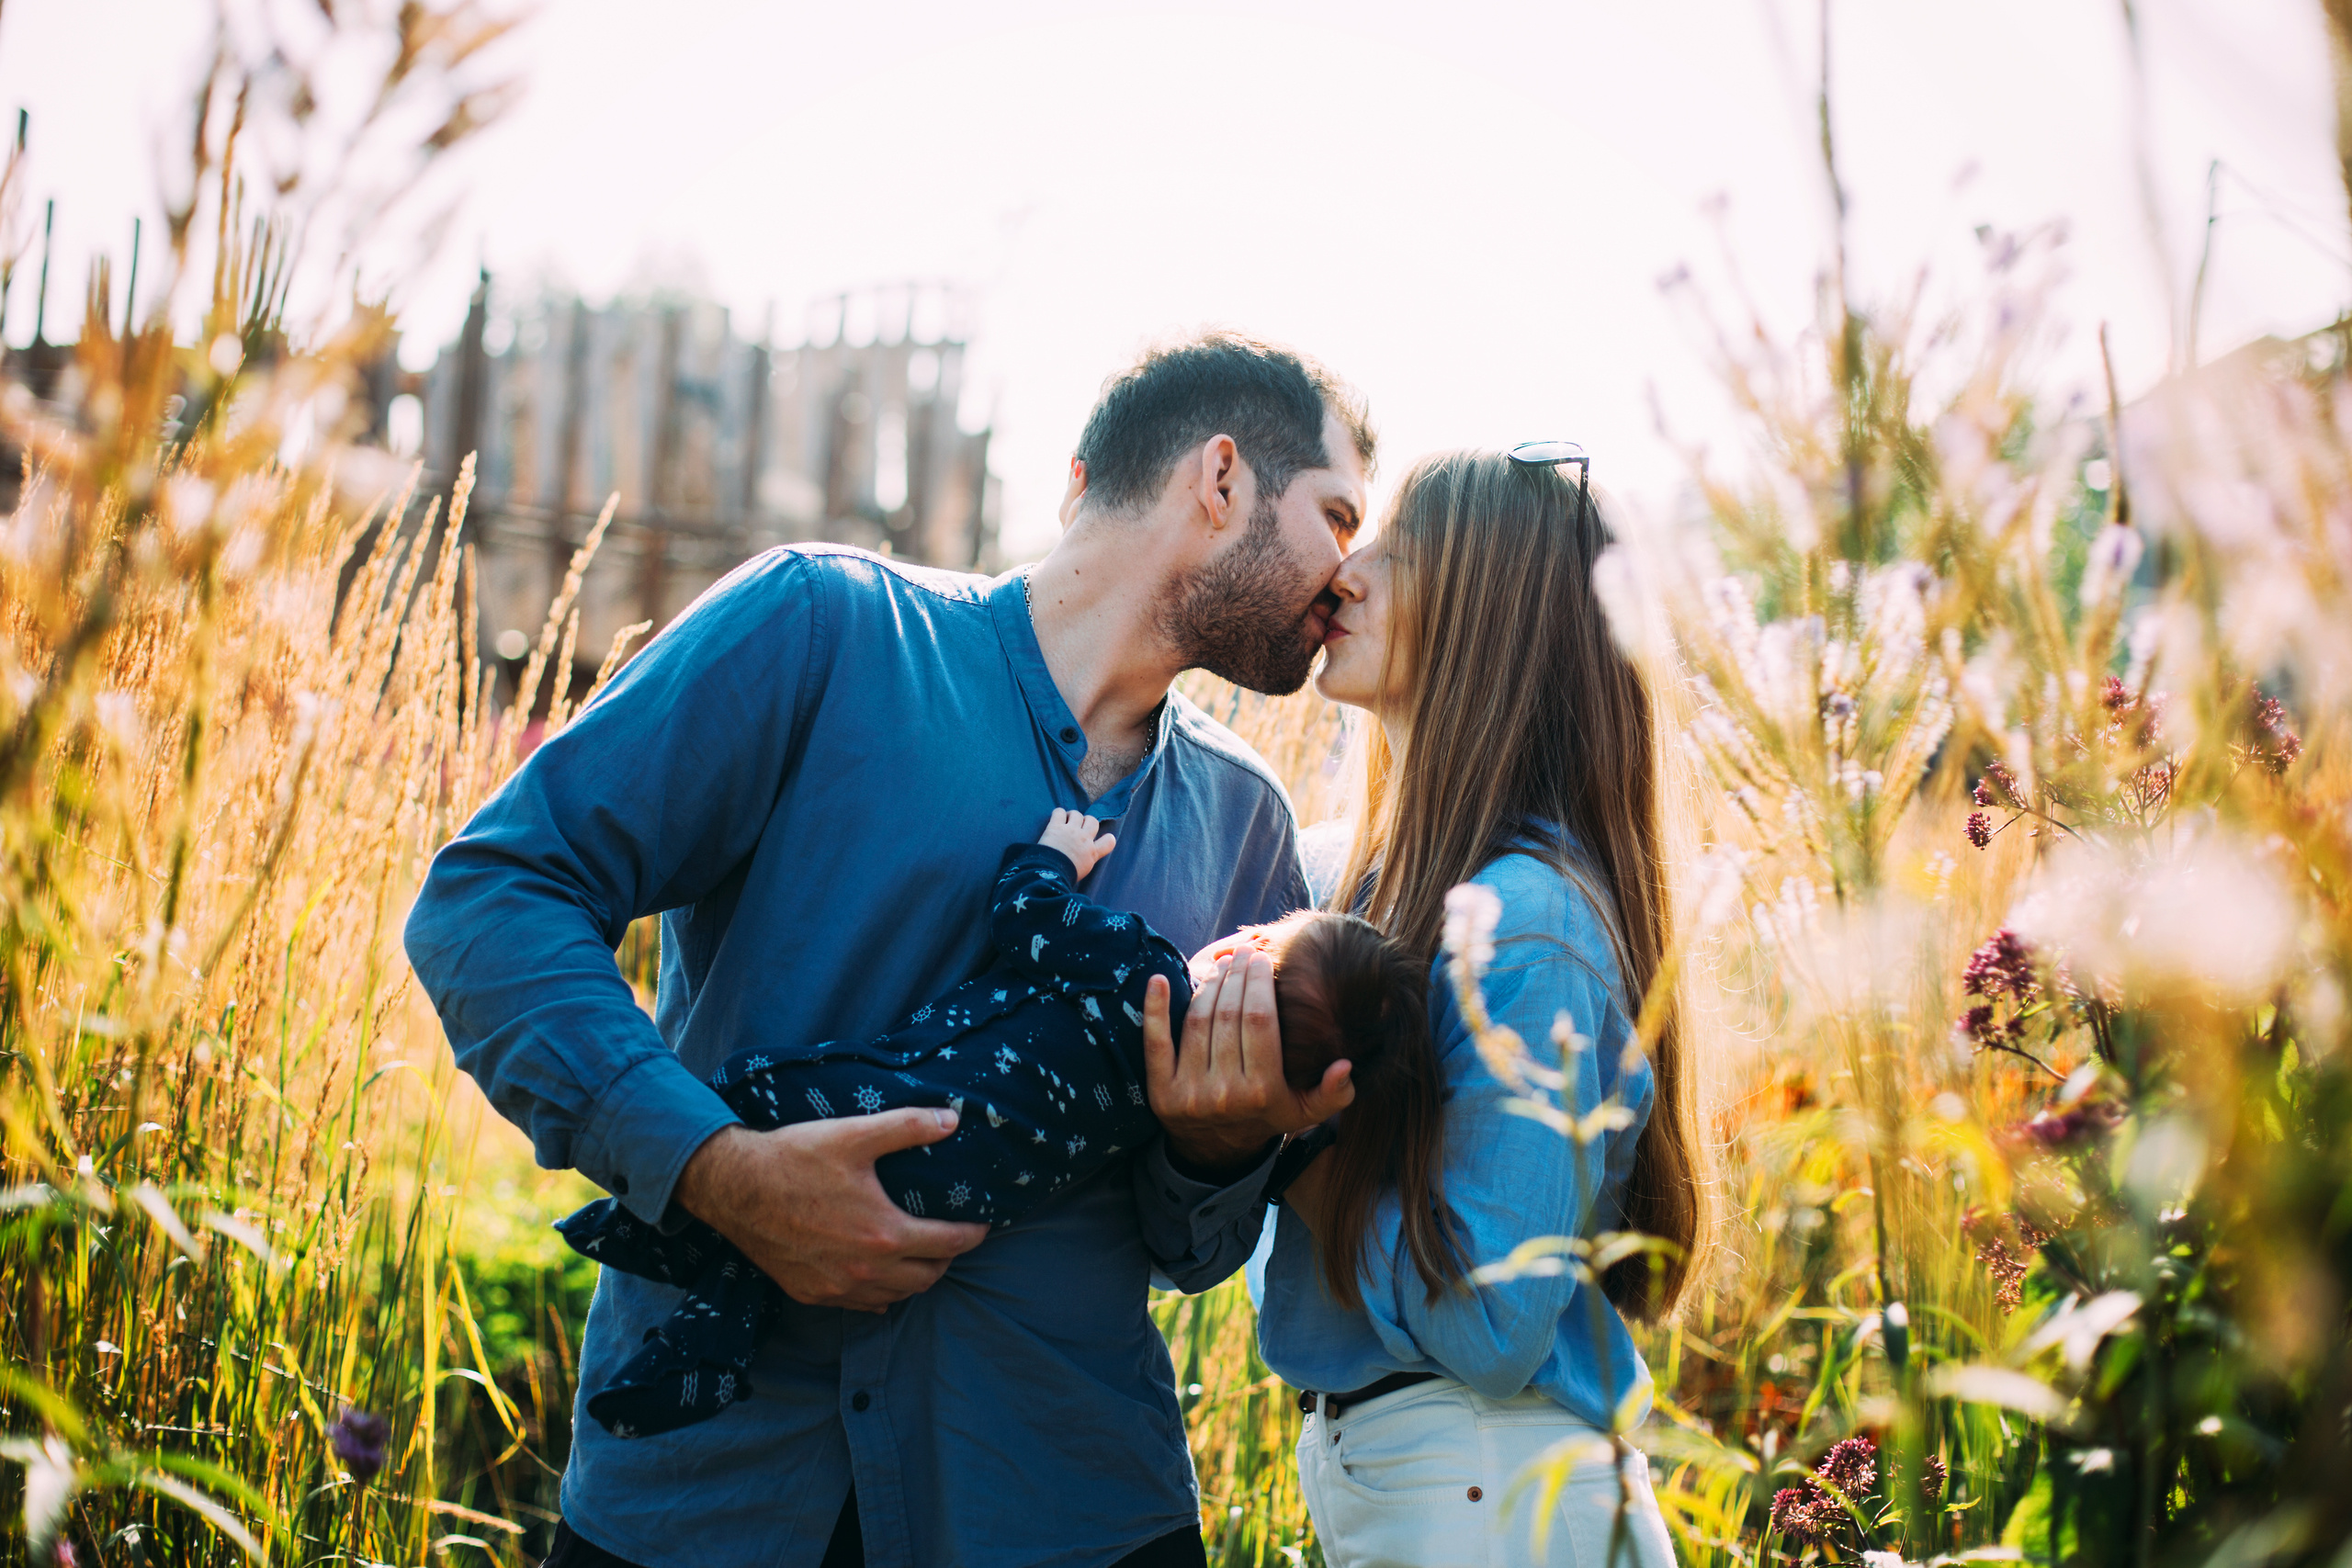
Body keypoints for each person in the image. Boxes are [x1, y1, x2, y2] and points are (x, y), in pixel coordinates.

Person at [402, 332, 1373, 1568]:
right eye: (1338, 516)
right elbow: (494, 894)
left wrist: (1215, 1149)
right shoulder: (820, 628)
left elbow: (1196, 1251)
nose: (1349, 576)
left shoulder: (1246, 824)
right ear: (1221, 479)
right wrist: (712, 1168)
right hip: (715, 1500)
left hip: (1064, 1509)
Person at [557, 808, 1439, 1444]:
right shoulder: (1189, 1101)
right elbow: (1200, 1225)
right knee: (776, 1255)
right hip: (961, 1204)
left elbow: (1025, 916)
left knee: (750, 1088)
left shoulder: (1142, 969)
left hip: (900, 1110)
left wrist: (1053, 856)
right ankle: (701, 1340)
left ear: (1244, 953)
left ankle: (661, 1224)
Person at [1244, 447, 1704, 1567]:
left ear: (1488, 617)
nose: (1345, 573)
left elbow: (1495, 1328)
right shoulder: (1366, 890)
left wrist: (1292, 1152)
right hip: (1435, 1484)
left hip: (1494, 1492)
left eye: (1396, 554)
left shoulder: (1528, 928)